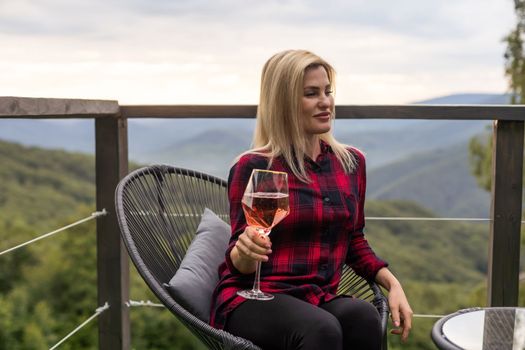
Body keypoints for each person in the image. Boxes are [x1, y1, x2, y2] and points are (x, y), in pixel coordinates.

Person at [210, 49, 412, 350]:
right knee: (322, 329)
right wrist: (246, 249)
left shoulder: (350, 163)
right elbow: (240, 258)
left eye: (327, 91)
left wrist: (393, 284)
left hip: (317, 297)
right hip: (254, 297)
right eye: (311, 93)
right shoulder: (254, 166)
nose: (325, 102)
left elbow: (354, 239)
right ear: (285, 102)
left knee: (364, 317)